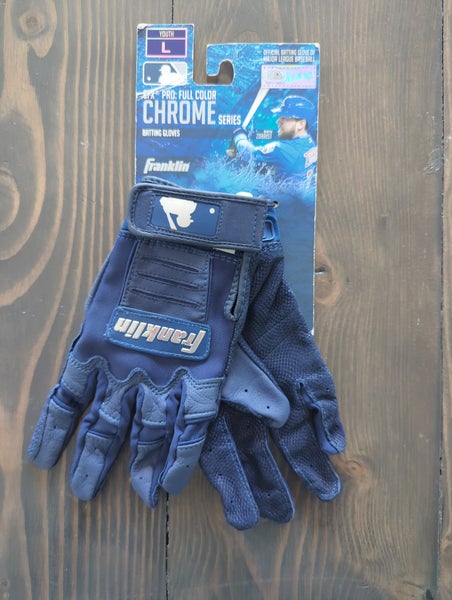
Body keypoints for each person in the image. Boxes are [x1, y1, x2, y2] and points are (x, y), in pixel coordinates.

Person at [232, 95, 317, 181]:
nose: (278, 121)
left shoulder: (279, 149)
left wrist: (239, 135)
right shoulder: (312, 145)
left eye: (284, 118)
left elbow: (250, 155)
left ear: (301, 124)